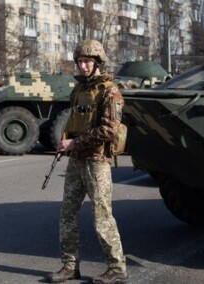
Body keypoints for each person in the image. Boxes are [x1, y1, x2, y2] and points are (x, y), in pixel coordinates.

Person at [47, 39, 127, 284]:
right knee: (68, 213)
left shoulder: (109, 91)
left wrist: (74, 144)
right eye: (80, 61)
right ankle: (70, 266)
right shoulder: (79, 90)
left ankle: (117, 268)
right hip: (77, 160)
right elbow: (74, 121)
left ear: (97, 63)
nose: (82, 66)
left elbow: (109, 129)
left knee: (102, 216)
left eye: (87, 61)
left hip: (97, 161)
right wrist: (66, 142)